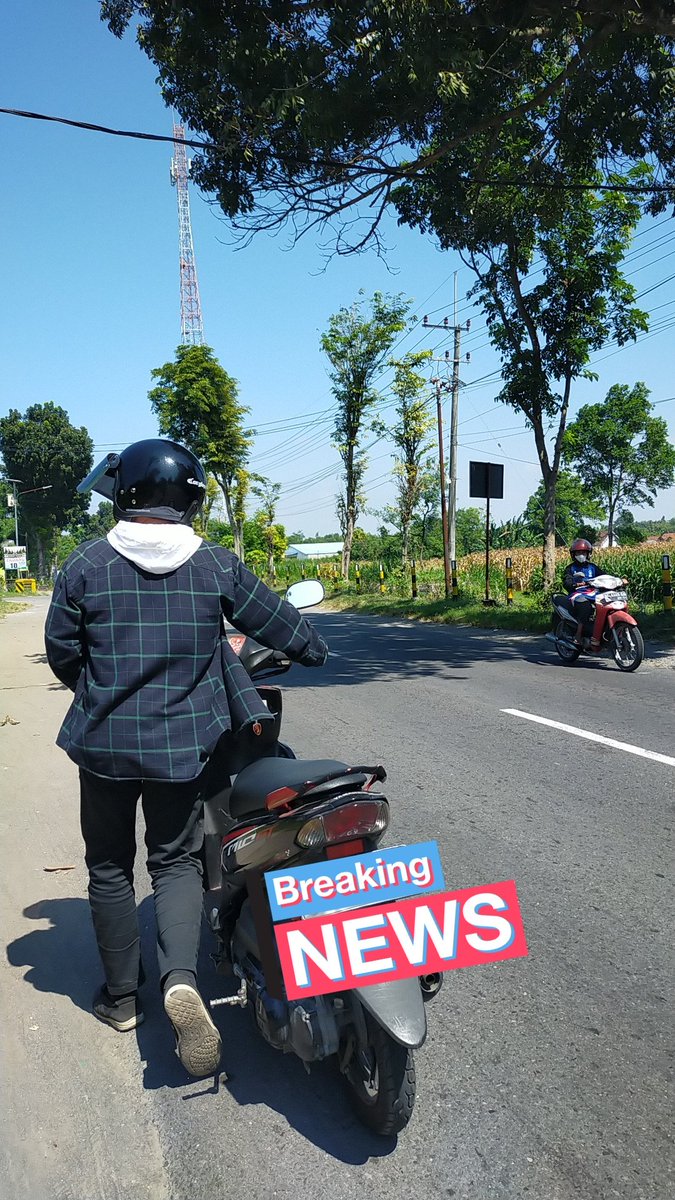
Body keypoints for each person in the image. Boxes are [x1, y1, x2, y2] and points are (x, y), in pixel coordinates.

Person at [44, 439, 328, 1078]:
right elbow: (280, 623)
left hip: (104, 748)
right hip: (181, 752)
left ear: (127, 493)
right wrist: (313, 647)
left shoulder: (84, 565)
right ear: (189, 498)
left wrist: (103, 693)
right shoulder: (213, 566)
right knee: (173, 861)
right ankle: (180, 979)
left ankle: (121, 999)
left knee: (110, 866)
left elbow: (64, 652)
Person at [563, 537, 601, 645]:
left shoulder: (593, 567)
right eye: (579, 552)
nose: (581, 555)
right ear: (573, 554)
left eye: (584, 552)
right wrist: (575, 584)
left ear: (588, 554)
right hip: (577, 594)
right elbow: (567, 582)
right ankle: (578, 635)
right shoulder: (570, 568)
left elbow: (604, 575)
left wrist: (616, 580)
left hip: (593, 592)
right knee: (585, 606)